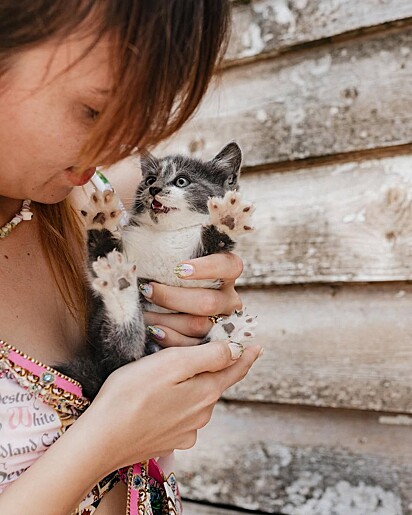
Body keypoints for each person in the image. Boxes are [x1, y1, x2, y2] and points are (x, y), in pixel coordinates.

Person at [0, 1, 262, 514]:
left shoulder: (100, 202)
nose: (120, 144)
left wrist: (181, 305)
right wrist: (103, 444)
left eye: (141, 115)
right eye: (95, 110)